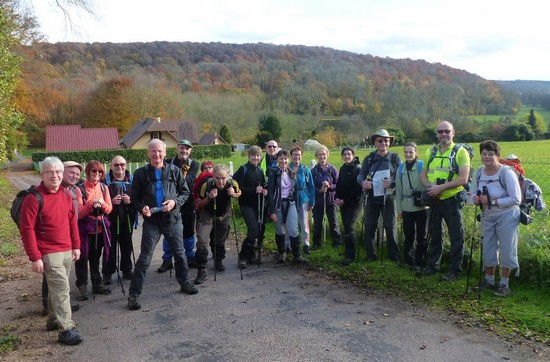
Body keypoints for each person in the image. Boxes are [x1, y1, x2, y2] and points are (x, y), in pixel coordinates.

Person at [127, 139, 198, 311]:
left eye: (160, 151)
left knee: (180, 254)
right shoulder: (141, 174)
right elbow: (134, 198)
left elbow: (185, 193)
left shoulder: (174, 171)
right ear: (148, 153)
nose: (157, 154)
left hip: (172, 219)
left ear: (165, 153)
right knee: (145, 258)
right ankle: (134, 295)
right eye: (153, 151)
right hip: (152, 221)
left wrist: (174, 202)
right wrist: (142, 208)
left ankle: (184, 282)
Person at [19, 156, 83, 345]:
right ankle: (66, 329)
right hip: (48, 251)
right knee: (62, 289)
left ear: (62, 174)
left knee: (57, 288)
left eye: (57, 172)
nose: (54, 176)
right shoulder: (33, 198)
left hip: (66, 250)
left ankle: (53, 320)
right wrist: (35, 257)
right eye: (49, 172)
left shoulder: (65, 194)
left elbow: (72, 221)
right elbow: (27, 229)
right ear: (42, 174)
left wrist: (76, 245)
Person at [419, 121, 470, 281]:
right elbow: (423, 174)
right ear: (436, 134)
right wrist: (430, 187)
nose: (444, 134)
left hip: (452, 200)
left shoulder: (461, 152)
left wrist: (440, 188)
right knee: (434, 233)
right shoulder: (430, 151)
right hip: (434, 198)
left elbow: (463, 179)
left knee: (456, 236)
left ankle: (454, 271)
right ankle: (433, 266)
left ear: (453, 133)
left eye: (447, 131)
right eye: (440, 131)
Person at [472, 140, 521, 297]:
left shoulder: (506, 173)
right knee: (488, 248)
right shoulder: (479, 172)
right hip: (487, 216)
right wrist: (474, 199)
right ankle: (489, 280)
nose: (487, 157)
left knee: (507, 249)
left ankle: (504, 285)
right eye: (484, 154)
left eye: (491, 154)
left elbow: (516, 198)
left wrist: (493, 201)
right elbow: (473, 193)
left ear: (498, 156)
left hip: (507, 216)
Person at [41, 161, 82, 316]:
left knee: (60, 279)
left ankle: (54, 311)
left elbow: (72, 217)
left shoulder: (70, 191)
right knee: (53, 277)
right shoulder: (49, 192)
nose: (74, 176)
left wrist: (75, 244)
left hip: (66, 240)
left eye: (77, 174)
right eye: (71, 173)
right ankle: (50, 307)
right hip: (51, 244)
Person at [357, 129, 402, 263]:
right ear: (375, 142)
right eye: (380, 140)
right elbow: (360, 175)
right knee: (370, 226)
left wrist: (392, 183)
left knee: (390, 226)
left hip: (389, 198)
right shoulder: (369, 158)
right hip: (372, 197)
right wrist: (363, 182)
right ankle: (371, 255)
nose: (383, 143)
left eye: (386, 140)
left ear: (389, 143)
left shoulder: (395, 158)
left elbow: (401, 176)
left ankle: (394, 257)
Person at [157, 139, 200, 273]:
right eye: (182, 148)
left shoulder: (194, 164)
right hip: (169, 202)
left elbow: (189, 180)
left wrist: (173, 180)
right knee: (168, 230)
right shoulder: (168, 162)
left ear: (190, 151)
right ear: (177, 149)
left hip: (187, 201)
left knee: (188, 230)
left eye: (187, 149)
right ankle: (167, 259)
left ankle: (190, 256)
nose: (184, 151)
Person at [194, 164, 241, 284]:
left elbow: (239, 193)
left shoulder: (232, 184)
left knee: (220, 240)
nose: (221, 181)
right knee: (202, 240)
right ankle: (202, 269)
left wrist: (234, 194)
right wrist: (209, 197)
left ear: (228, 176)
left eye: (223, 178)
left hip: (224, 214)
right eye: (218, 178)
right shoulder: (207, 185)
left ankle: (218, 260)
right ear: (213, 177)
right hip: (208, 214)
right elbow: (199, 203)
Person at [74, 160, 113, 300]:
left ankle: (97, 283)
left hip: (100, 228)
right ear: (88, 172)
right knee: (82, 258)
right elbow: (79, 214)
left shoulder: (104, 188)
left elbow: (109, 209)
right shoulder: (80, 189)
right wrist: (91, 203)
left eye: (100, 171)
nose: (97, 174)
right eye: (94, 171)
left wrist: (102, 204)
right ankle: (82, 286)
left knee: (96, 257)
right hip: (84, 229)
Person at [267, 150, 308, 264]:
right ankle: (282, 253)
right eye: (281, 158)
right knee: (280, 229)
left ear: (288, 159)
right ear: (277, 160)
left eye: (285, 158)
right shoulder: (273, 173)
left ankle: (297, 255)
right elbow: (270, 193)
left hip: (290, 203)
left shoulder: (291, 172)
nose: (283, 161)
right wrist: (272, 211)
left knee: (294, 229)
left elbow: (294, 190)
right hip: (278, 204)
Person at [102, 155, 136, 284]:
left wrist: (130, 200)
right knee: (110, 247)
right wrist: (111, 202)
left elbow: (138, 200)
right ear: (111, 166)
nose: (119, 167)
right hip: (110, 219)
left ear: (126, 165)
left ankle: (127, 269)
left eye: (122, 164)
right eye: (116, 165)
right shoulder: (104, 181)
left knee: (127, 245)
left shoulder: (132, 180)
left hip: (128, 218)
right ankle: (107, 272)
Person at [233, 146, 267, 269]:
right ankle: (242, 256)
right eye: (253, 155)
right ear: (249, 156)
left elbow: (262, 184)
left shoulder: (260, 170)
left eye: (258, 155)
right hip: (246, 204)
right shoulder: (243, 169)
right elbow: (237, 186)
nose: (256, 158)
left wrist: (264, 190)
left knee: (257, 229)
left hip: (257, 204)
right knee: (253, 230)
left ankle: (251, 255)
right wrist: (254, 190)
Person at [395, 142, 428, 270]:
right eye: (406, 152)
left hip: (422, 207)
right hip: (407, 207)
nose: (408, 154)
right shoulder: (400, 169)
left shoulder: (421, 166)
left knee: (422, 236)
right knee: (408, 235)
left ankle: (420, 262)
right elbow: (398, 190)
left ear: (416, 153)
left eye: (411, 152)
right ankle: (409, 261)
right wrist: (399, 209)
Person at [334, 147, 363, 265]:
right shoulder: (343, 168)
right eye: (344, 154)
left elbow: (357, 189)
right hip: (343, 204)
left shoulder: (357, 169)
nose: (347, 156)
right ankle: (348, 251)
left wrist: (345, 200)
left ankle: (351, 255)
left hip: (354, 204)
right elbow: (339, 184)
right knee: (346, 227)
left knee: (349, 226)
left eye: (349, 154)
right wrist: (337, 197)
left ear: (353, 155)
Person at [311, 145, 341, 249]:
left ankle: (337, 242)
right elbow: (310, 187)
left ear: (327, 155)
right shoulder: (314, 171)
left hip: (330, 200)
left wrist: (330, 186)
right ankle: (316, 243)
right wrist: (320, 190)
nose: (322, 156)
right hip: (318, 201)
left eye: (324, 154)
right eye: (320, 154)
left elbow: (338, 184)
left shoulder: (332, 169)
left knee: (333, 222)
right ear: (316, 156)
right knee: (317, 223)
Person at [287, 146, 315, 255]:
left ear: (301, 156)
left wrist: (312, 201)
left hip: (303, 197)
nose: (297, 157)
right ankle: (287, 244)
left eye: (299, 154)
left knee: (304, 223)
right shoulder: (287, 168)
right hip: (291, 198)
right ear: (291, 156)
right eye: (294, 154)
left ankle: (306, 244)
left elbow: (311, 186)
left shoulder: (305, 169)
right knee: (289, 222)